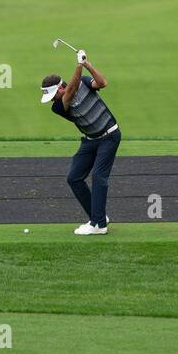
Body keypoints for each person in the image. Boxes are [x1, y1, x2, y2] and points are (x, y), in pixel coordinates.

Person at [41, 48, 120, 235]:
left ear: (59, 88)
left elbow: (103, 82)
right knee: (74, 178)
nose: (53, 100)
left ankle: (99, 225)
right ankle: (98, 215)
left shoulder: (83, 82)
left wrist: (87, 65)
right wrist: (78, 65)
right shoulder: (59, 107)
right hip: (90, 141)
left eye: (53, 95)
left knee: (99, 176)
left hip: (109, 136)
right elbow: (71, 92)